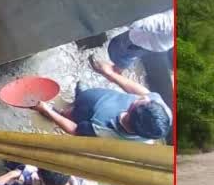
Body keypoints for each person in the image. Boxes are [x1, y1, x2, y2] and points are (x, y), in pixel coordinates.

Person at [34, 57, 171, 143]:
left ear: (130, 112)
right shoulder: (162, 114)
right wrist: (110, 73)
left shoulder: (105, 131)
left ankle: (59, 112)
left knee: (69, 114)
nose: (145, 97)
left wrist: (48, 112)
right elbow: (142, 92)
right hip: (100, 97)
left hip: (85, 115)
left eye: (140, 101)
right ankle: (81, 93)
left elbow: (75, 130)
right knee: (82, 91)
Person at [107, 9, 174, 75]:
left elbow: (141, 23)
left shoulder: (168, 22)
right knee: (132, 53)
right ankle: (120, 67)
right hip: (155, 43)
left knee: (119, 49)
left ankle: (116, 71)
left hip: (145, 42)